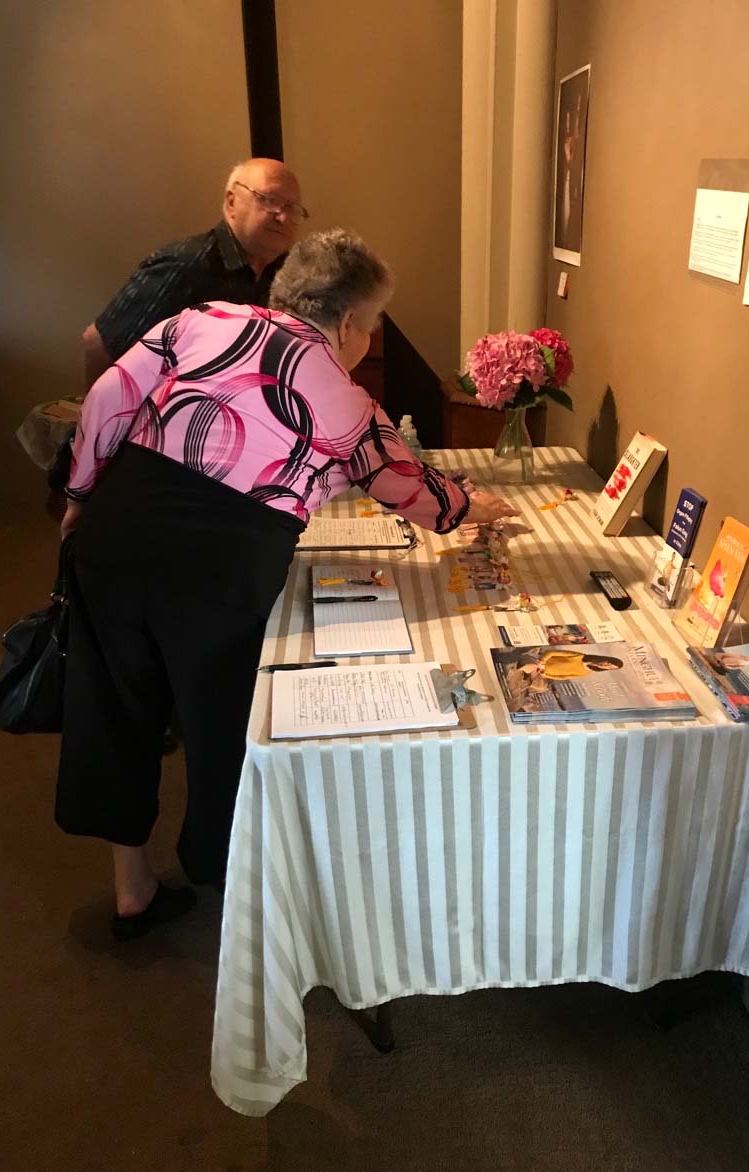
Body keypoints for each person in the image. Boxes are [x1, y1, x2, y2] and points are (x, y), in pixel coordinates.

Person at [55, 228, 518, 940]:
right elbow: (410, 489)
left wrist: (80, 494)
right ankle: (218, 867)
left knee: (117, 702)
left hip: (120, 523)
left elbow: (108, 398)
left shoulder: (201, 320)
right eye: (372, 323)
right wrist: (476, 506)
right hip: (221, 562)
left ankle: (131, 884)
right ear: (348, 322)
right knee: (219, 720)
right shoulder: (342, 397)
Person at [81, 157, 306, 389]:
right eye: (269, 200)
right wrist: (103, 410)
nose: (282, 217)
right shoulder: (185, 265)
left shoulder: (285, 274)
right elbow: (100, 344)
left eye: (291, 208)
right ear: (232, 202)